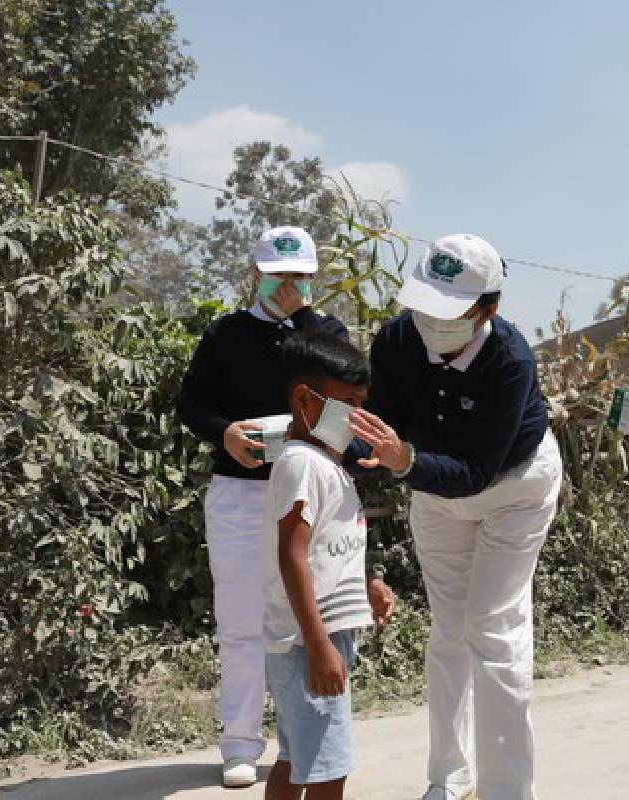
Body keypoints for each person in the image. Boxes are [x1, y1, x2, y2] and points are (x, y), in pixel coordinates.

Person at [344, 234, 563, 800]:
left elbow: (474, 471)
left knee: (492, 627)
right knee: (449, 631)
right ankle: (448, 776)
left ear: (487, 307)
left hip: (513, 487)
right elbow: (383, 422)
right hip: (432, 489)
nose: (430, 322)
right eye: (423, 305)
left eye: (448, 311)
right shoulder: (396, 338)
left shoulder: (510, 359)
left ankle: (507, 790)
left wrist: (403, 459)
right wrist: (331, 445)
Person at [177, 226, 349, 788]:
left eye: (301, 276)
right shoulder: (228, 332)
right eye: (281, 275)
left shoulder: (326, 333)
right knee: (242, 619)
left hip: (307, 490)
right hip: (241, 491)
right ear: (258, 272)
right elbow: (192, 402)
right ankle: (240, 744)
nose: (291, 286)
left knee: (309, 617)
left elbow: (348, 405)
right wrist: (223, 433)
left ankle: (300, 748)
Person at [263, 332, 396, 800]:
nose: (357, 414)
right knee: (326, 770)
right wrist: (319, 645)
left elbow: (326, 551)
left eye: (363, 401)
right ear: (304, 399)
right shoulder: (302, 464)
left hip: (314, 636)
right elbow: (291, 554)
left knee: (299, 757)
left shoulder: (326, 463)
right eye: (348, 401)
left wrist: (367, 587)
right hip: (308, 639)